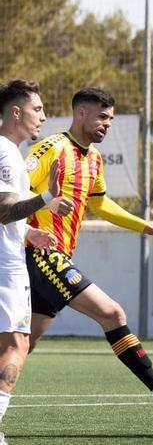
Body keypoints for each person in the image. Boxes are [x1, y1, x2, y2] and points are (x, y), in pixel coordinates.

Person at [25, 88, 153, 415]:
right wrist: (33, 228)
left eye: (110, 119)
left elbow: (100, 204)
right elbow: (13, 194)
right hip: (39, 254)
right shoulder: (50, 149)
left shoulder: (93, 158)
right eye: (102, 117)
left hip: (59, 257)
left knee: (23, 343)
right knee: (113, 314)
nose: (107, 124)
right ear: (80, 113)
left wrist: (146, 226)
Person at [0, 79, 73, 445]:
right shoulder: (6, 151)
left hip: (8, 254)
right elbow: (3, 210)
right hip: (4, 266)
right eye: (37, 109)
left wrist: (29, 233)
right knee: (16, 344)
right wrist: (47, 197)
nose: (43, 116)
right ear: (16, 111)